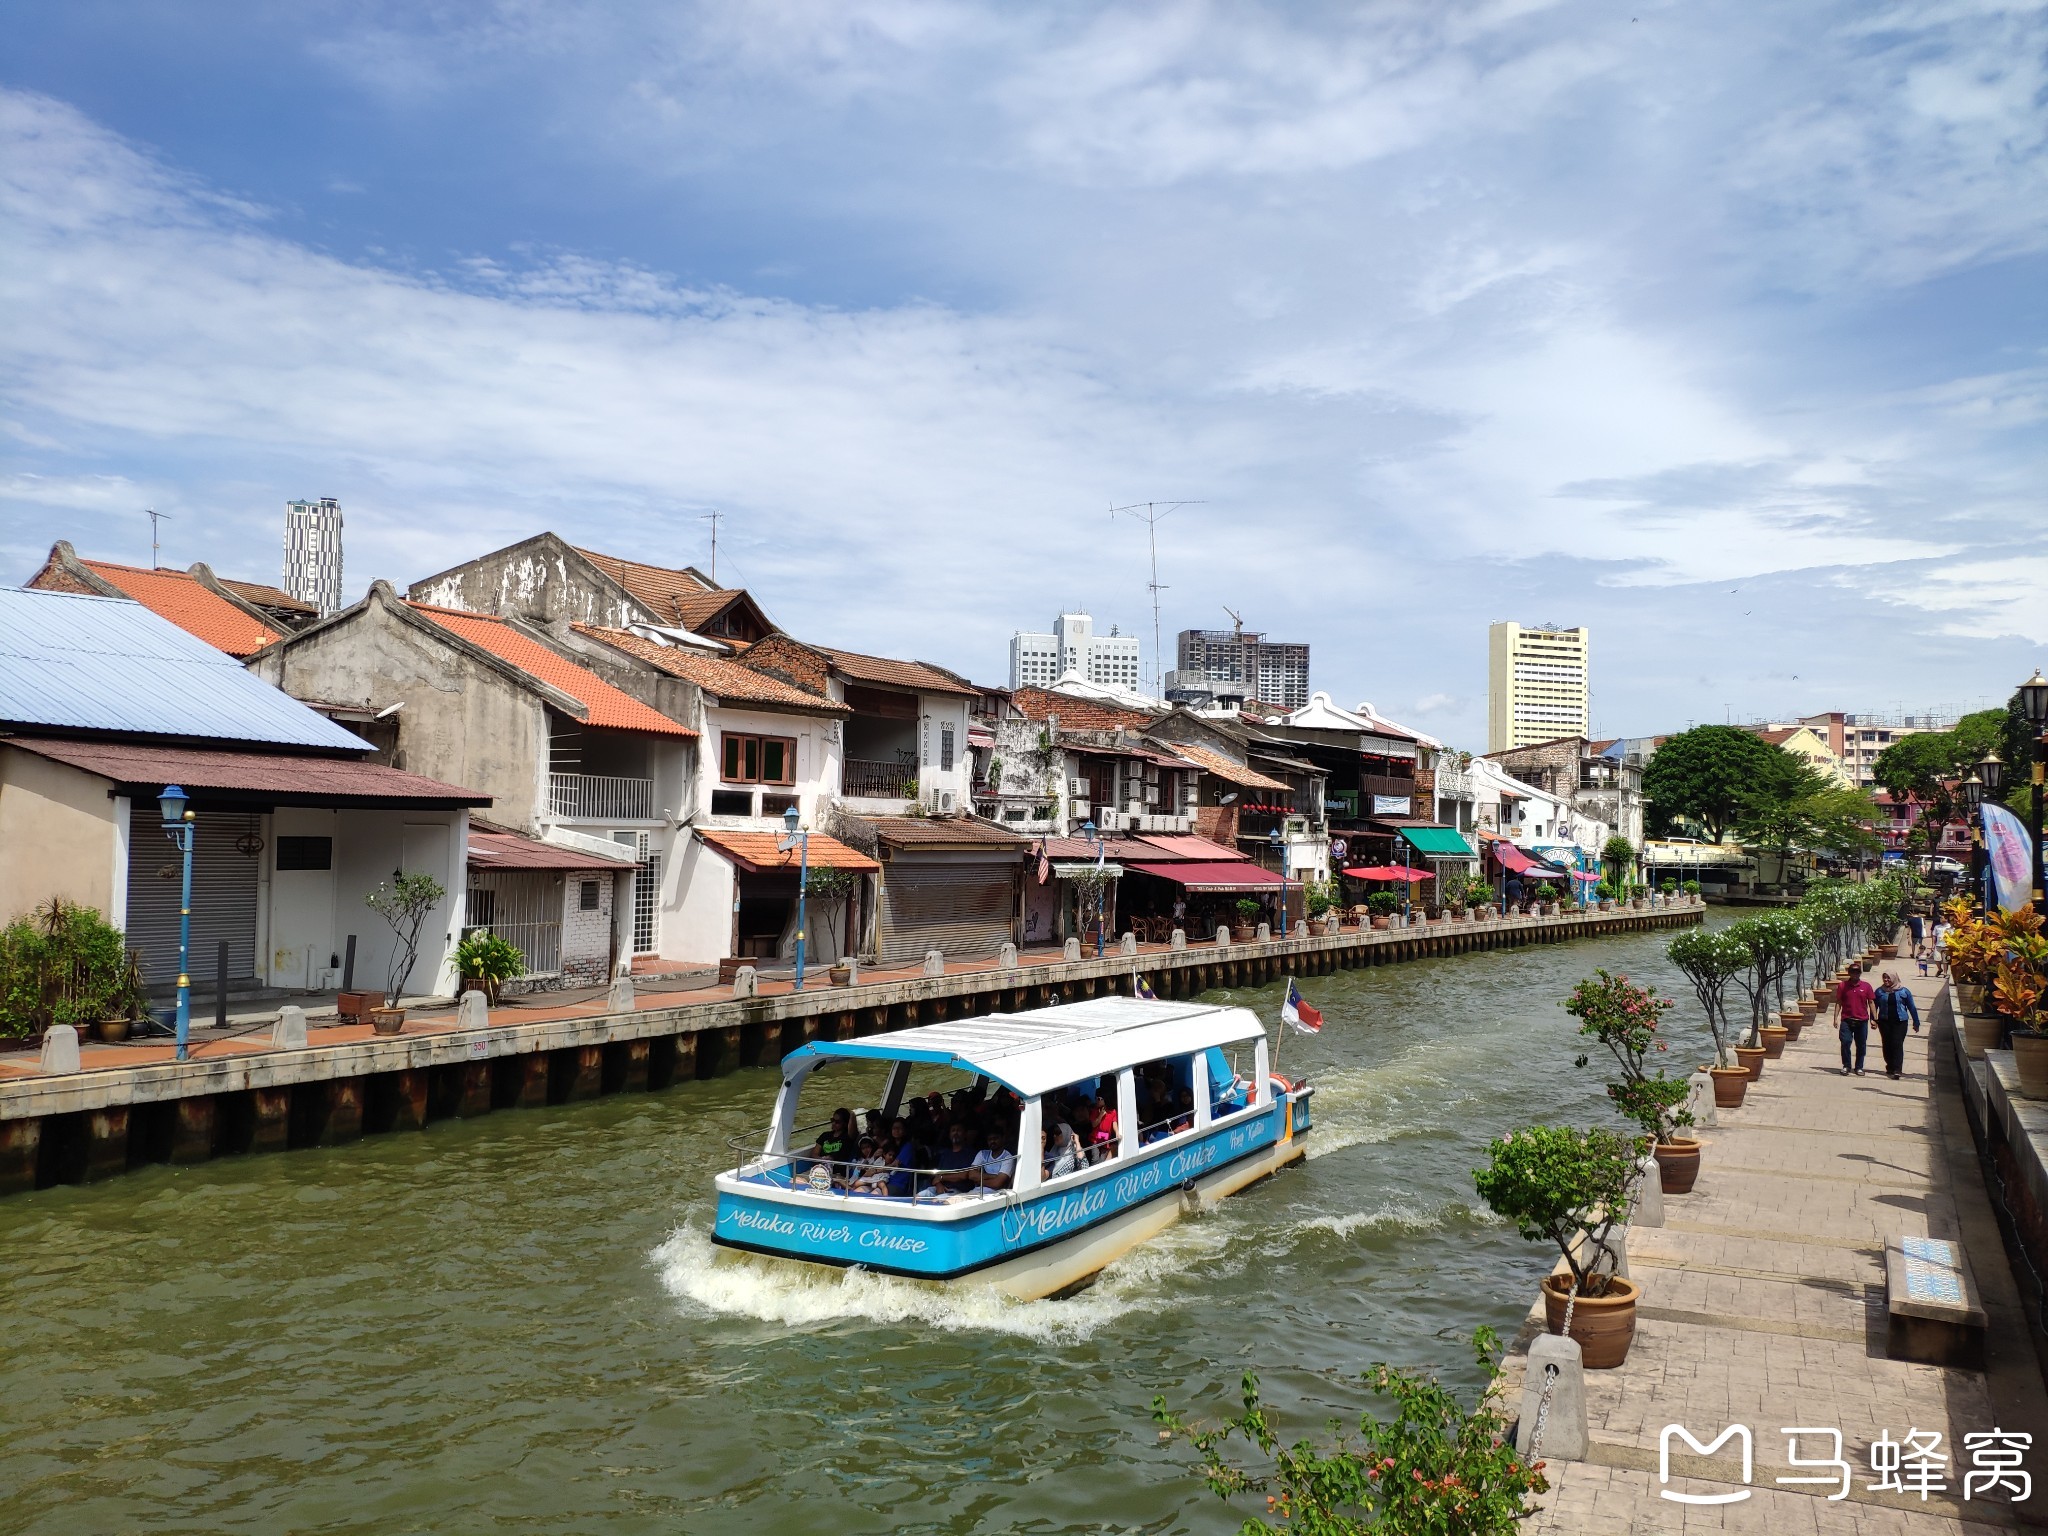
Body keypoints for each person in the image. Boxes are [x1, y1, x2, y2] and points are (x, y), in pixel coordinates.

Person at [1873, 971, 1922, 1080]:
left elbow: (1912, 1007)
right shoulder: (1879, 991)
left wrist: (1916, 1022)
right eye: (1884, 978)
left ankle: (1897, 1069)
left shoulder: (1904, 991)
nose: (1886, 980)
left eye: (1888, 978)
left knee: (1897, 1043)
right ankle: (1889, 1066)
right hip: (1884, 1021)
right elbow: (1874, 1006)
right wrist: (1873, 1020)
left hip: (1900, 1022)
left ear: (1894, 978)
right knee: (1886, 1044)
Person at [1835, 962, 1876, 1077]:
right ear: (1849, 973)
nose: (1855, 974)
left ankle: (1859, 1067)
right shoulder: (1842, 986)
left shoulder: (1866, 986)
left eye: (1857, 971)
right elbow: (1839, 1002)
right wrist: (1835, 1018)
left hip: (1862, 1021)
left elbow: (1871, 1002)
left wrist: (1874, 1019)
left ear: (1860, 973)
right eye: (1853, 971)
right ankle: (1846, 1065)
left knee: (1861, 1045)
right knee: (1845, 1042)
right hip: (1847, 1020)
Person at [968, 1127, 1016, 1191]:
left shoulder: (1008, 1157)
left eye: (995, 1138)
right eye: (989, 1139)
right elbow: (971, 1175)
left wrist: (980, 1181)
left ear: (1003, 1138)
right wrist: (994, 1176)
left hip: (995, 1195)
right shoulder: (982, 1154)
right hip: (977, 1191)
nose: (992, 1141)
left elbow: (997, 1183)